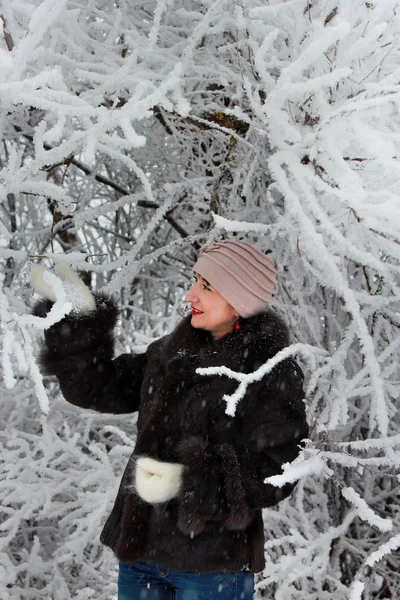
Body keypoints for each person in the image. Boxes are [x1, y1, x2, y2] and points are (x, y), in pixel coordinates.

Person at [31, 240, 309, 600]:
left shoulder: (269, 372)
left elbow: (279, 470)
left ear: (240, 299)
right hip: (141, 553)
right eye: (195, 280)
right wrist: (77, 321)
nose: (189, 295)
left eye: (206, 286)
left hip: (211, 567)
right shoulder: (171, 352)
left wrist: (189, 480)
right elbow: (98, 387)